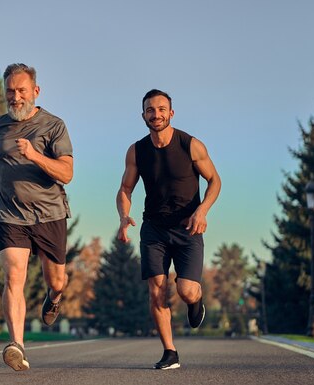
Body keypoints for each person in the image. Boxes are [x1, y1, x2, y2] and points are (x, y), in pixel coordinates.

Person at [116, 89, 221, 370]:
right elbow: (125, 189)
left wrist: (202, 211)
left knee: (186, 290)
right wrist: (124, 216)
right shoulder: (137, 150)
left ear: (171, 113)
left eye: (161, 109)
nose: (156, 114)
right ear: (143, 116)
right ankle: (170, 352)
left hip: (188, 228)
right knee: (157, 290)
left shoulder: (191, 145)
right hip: (153, 229)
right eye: (150, 110)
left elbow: (215, 181)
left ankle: (195, 302)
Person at [0, 63, 73, 371]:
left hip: (50, 215)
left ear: (35, 91)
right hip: (11, 215)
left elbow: (67, 173)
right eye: (10, 91)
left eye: (22, 90)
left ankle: (54, 297)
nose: (16, 97)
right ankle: (17, 345)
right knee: (13, 277)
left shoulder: (53, 125)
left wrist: (34, 154)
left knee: (57, 280)